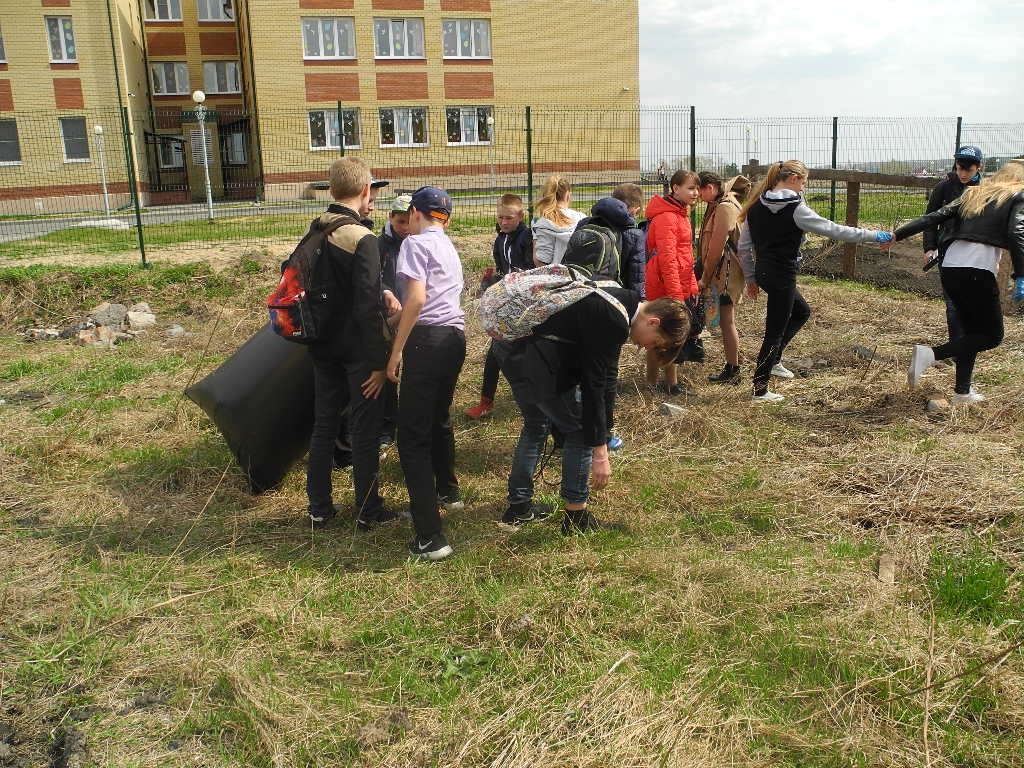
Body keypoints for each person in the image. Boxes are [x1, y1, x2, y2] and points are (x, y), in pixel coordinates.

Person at [497, 291, 690, 533]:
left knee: (536, 425)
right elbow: (593, 386)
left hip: (509, 346)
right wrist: (600, 451)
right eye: (655, 343)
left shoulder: (619, 299)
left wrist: (605, 430)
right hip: (534, 357)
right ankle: (576, 518)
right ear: (653, 322)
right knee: (580, 432)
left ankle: (518, 508)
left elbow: (607, 375)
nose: (645, 347)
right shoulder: (612, 318)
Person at [737, 160, 893, 403]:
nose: (804, 188)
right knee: (773, 332)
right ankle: (760, 389)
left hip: (764, 273)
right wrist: (875, 235)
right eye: (804, 183)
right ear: (793, 179)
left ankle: (774, 360)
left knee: (801, 311)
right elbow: (836, 230)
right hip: (783, 276)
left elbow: (743, 247)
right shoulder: (796, 209)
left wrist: (751, 278)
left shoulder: (756, 205)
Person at [306, 157, 398, 531]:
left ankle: (319, 507)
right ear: (365, 190)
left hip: (321, 344)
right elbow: (366, 308)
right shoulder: (362, 238)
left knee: (324, 424)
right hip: (356, 350)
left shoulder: (317, 228)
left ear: (331, 189)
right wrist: (379, 363)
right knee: (364, 428)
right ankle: (368, 509)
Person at [897, 160, 1024, 402]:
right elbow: (1016, 233)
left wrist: (897, 234)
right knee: (992, 336)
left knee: (971, 334)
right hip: (977, 271)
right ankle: (930, 355)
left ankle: (962, 392)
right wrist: (1021, 275)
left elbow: (934, 216)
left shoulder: (974, 193)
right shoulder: (1018, 196)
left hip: (950, 267)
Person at [386, 186, 466, 561]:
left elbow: (417, 300)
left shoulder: (414, 244)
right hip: (454, 338)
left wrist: (396, 349)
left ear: (416, 213)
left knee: (412, 438)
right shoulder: (447, 245)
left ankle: (430, 537)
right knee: (437, 419)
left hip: (427, 341)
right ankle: (449, 492)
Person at [562, 193, 646, 451]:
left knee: (575, 368)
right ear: (631, 211)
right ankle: (605, 432)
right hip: (613, 308)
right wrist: (636, 309)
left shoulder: (584, 224)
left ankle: (567, 429)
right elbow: (636, 276)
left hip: (577, 301)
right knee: (606, 374)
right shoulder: (633, 234)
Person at [466, 194, 533, 420]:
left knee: (524, 352)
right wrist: (492, 280)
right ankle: (486, 402)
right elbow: (502, 269)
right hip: (507, 303)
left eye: (509, 218)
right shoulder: (500, 240)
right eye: (500, 217)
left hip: (525, 304)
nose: (504, 222)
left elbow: (530, 272)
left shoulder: (527, 237)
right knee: (496, 350)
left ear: (520, 216)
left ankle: (535, 400)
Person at [644, 169, 701, 396]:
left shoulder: (680, 214)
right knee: (668, 335)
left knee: (668, 335)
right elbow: (668, 261)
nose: (695, 193)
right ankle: (668, 384)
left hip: (679, 284)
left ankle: (660, 382)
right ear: (675, 188)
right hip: (666, 287)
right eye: (690, 188)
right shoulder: (667, 217)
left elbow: (686, 256)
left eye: (697, 188)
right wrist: (677, 296)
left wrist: (693, 285)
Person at [923, 145, 984, 343]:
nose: (963, 174)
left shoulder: (987, 190)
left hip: (976, 254)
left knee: (973, 303)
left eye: (968, 170)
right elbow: (930, 219)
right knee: (952, 304)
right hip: (948, 251)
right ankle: (957, 347)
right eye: (959, 168)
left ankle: (967, 344)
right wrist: (930, 247)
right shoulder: (944, 187)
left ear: (979, 167)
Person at [697, 171, 752, 385]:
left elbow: (716, 249)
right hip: (724, 273)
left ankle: (733, 370)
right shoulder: (724, 204)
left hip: (725, 275)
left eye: (699, 190)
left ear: (710, 187)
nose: (697, 195)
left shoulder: (724, 207)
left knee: (727, 322)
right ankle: (734, 363)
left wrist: (705, 276)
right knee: (724, 322)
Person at [375, 193, 412, 443]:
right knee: (390, 368)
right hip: (389, 316)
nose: (405, 227)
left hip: (413, 314)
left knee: (414, 369)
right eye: (400, 222)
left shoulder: (417, 241)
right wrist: (386, 292)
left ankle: (408, 419)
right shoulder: (380, 245)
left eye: (410, 221)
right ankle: (388, 427)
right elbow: (373, 278)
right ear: (390, 217)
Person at [532, 175, 585, 266]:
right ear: (568, 195)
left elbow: (541, 261)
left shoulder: (541, 222)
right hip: (580, 271)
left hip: (554, 273)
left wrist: (535, 240)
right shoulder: (582, 218)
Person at [610, 182, 648, 299]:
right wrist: (640, 300)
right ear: (635, 210)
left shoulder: (593, 223)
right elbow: (636, 276)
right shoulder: (635, 235)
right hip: (621, 295)